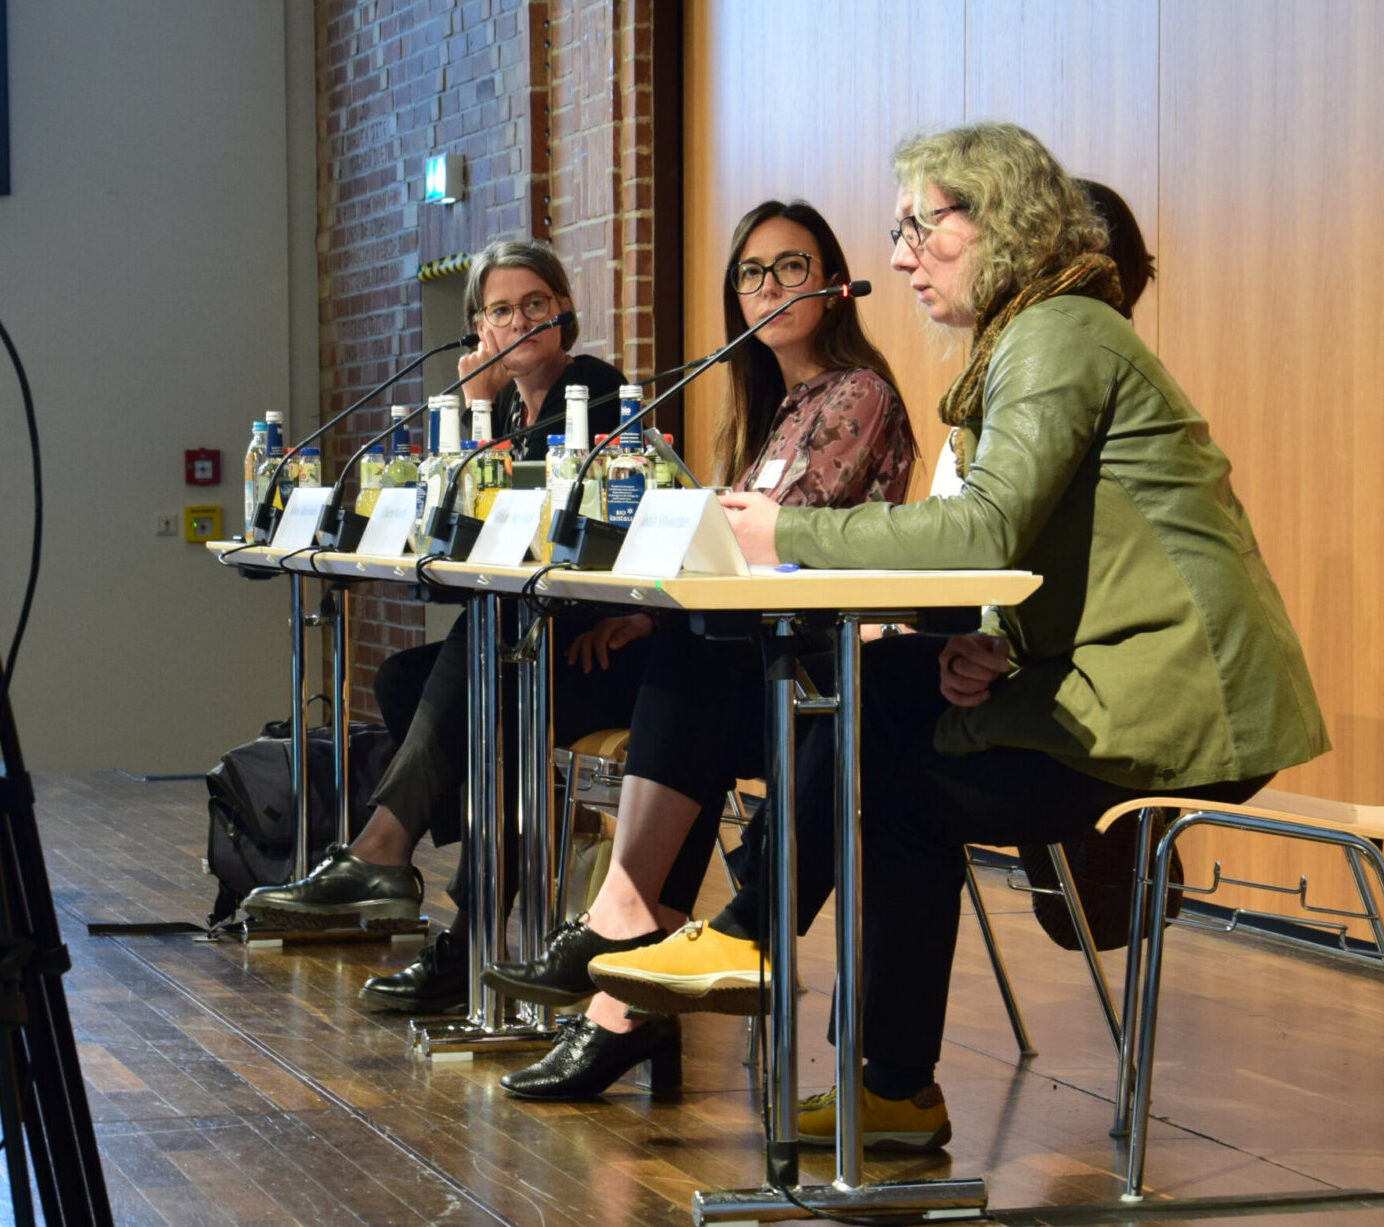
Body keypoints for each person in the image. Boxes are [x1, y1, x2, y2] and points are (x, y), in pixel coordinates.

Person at [586, 123, 1329, 1151]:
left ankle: (763, 943)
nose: (897, 257)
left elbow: (985, 527)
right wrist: (988, 642)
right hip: (1109, 678)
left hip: (1184, 705)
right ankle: (883, 1083)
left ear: (1004, 219)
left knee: (884, 731)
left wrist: (782, 532)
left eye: (918, 227)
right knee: (891, 708)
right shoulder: (1032, 337)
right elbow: (1054, 549)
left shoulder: (1062, 332)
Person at [479, 199, 915, 1100]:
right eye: (752, 274)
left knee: (699, 664)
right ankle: (620, 985)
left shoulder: (859, 394)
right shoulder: (774, 408)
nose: (769, 289)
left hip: (836, 690)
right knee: (684, 652)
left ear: (833, 286)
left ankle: (618, 934)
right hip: (769, 673)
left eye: (791, 268)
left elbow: (791, 535)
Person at [240, 239, 635, 1010]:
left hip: (600, 648)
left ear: (563, 312)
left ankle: (396, 861)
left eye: (533, 305)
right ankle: (455, 927)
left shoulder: (595, 387)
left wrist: (479, 404)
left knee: (489, 672)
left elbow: (528, 520)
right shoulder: (506, 405)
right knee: (413, 681)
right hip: (537, 643)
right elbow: (460, 528)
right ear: (478, 326)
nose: (518, 320)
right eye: (499, 309)